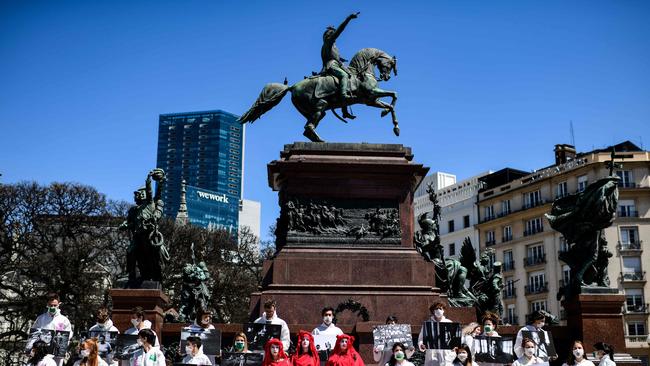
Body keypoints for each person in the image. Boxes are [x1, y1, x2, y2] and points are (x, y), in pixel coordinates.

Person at [32, 292, 73, 366]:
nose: (53, 307)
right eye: (51, 305)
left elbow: (68, 335)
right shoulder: (41, 318)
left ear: (59, 304)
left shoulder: (64, 320)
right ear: (47, 305)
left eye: (55, 305)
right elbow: (34, 333)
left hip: (57, 354)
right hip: (42, 353)